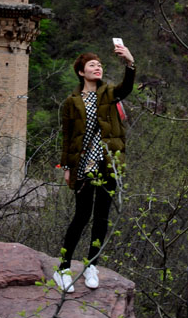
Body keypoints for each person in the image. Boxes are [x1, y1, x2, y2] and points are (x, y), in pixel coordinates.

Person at [54, 41, 135, 292]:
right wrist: (67, 167)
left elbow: (127, 87)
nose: (97, 68)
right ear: (81, 72)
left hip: (108, 163)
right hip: (84, 163)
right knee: (81, 216)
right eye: (92, 65)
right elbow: (67, 137)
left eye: (99, 65)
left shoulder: (109, 93)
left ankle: (91, 264)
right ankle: (63, 268)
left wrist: (130, 63)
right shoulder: (71, 102)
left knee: (102, 217)